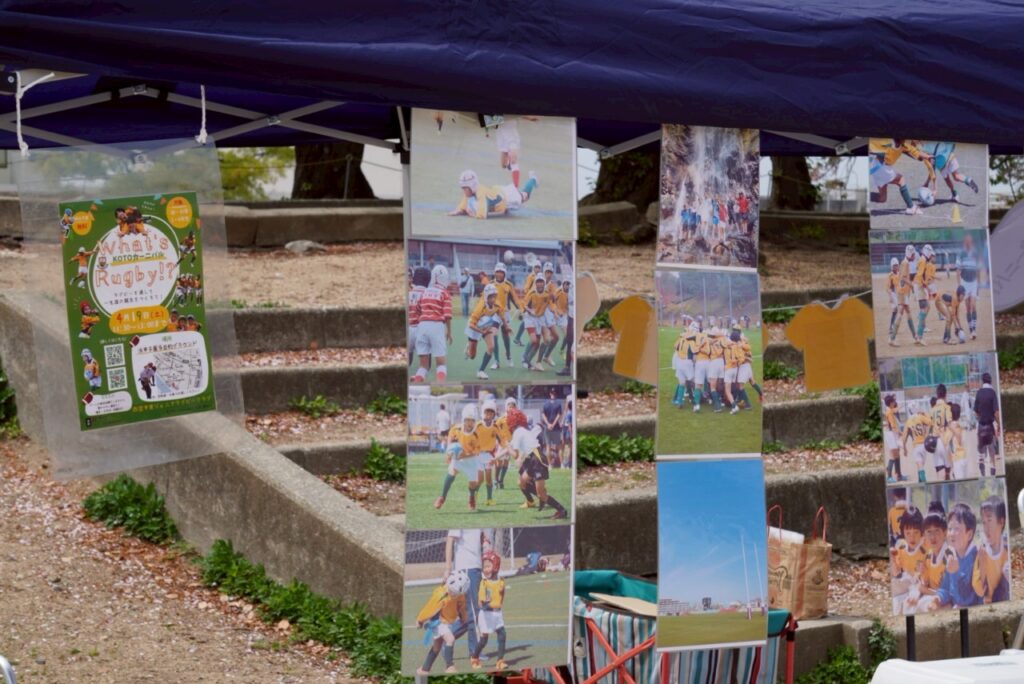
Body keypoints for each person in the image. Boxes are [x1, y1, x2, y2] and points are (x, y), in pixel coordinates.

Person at [444, 529, 492, 663]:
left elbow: (480, 540)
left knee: (473, 614)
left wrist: (485, 542)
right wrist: (448, 568)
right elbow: (450, 539)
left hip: (476, 568)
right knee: (474, 613)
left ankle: (446, 637)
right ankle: (474, 652)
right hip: (466, 568)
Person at [509, 411, 567, 519]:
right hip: (532, 458)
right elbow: (511, 448)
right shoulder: (522, 430)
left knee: (541, 494)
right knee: (522, 482)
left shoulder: (517, 432)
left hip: (537, 459)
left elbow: (515, 455)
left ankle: (561, 510)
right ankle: (540, 498)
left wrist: (507, 447)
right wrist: (496, 458)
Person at [923, 503, 983, 610]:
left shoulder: (976, 558)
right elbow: (946, 587)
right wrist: (937, 599)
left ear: (969, 534)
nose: (951, 533)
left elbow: (966, 599)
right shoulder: (953, 554)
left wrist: (955, 573)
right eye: (950, 528)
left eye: (957, 529)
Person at [416, 570, 470, 675]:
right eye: (453, 592)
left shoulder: (459, 593)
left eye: (456, 593)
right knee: (450, 639)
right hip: (438, 621)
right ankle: (450, 666)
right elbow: (430, 608)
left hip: (447, 622)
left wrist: (464, 617)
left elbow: (462, 606)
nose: (454, 595)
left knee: (437, 647)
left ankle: (424, 669)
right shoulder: (441, 594)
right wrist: (420, 619)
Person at [435, 405, 483, 511]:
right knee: (451, 472)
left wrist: (465, 455)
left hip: (471, 460)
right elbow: (450, 440)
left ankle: (471, 497)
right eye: (467, 420)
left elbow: (476, 452)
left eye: (472, 421)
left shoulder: (476, 434)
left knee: (473, 483)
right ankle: (442, 497)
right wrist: (448, 454)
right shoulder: (456, 429)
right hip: (458, 458)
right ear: (463, 420)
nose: (470, 423)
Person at [413, 265, 453, 384]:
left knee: (423, 366)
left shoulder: (425, 292)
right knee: (441, 364)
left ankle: (417, 381)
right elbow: (447, 315)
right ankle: (441, 385)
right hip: (436, 326)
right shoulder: (445, 293)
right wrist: (449, 332)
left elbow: (417, 310)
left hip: (422, 326)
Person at [448, 169, 538, 220]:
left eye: (465, 188)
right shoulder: (472, 191)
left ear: (472, 186)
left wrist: (473, 214)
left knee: (525, 196)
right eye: (463, 188)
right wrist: (459, 210)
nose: (464, 191)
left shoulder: (480, 193)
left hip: (507, 198)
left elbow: (482, 215)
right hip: (498, 192)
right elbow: (465, 202)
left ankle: (533, 179)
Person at [471, 550, 508, 671]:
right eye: (484, 567)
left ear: (495, 566)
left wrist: (502, 590)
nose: (485, 569)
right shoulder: (484, 583)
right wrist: (483, 601)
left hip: (497, 613)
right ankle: (475, 657)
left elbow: (502, 594)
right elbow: (482, 599)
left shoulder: (501, 580)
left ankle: (500, 661)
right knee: (484, 640)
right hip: (486, 614)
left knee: (502, 634)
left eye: (488, 566)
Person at [973, 496, 1010, 604]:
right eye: (984, 522)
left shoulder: (1008, 548)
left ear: (1001, 522)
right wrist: (982, 568)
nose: (986, 527)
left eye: (989, 520)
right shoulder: (982, 552)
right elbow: (979, 590)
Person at [465, 284, 504, 379]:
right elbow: (471, 325)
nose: (493, 299)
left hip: (486, 327)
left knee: (491, 347)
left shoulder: (497, 303)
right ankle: (468, 348)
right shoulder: (480, 307)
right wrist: (482, 332)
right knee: (472, 356)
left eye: (494, 296)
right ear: (486, 297)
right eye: (490, 297)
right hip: (474, 328)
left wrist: (507, 326)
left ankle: (481, 371)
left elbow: (500, 314)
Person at [974, 373, 1000, 477]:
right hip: (990, 426)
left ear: (982, 381)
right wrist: (999, 424)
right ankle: (992, 473)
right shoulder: (992, 393)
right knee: (992, 453)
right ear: (990, 381)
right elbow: (996, 412)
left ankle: (982, 471)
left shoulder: (979, 393)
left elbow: (975, 411)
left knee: (981, 451)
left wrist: (980, 417)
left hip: (980, 425)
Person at [408, 266, 431, 367]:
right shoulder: (428, 294)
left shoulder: (408, 293)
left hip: (409, 329)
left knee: (408, 359)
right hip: (422, 330)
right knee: (425, 365)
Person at [883, 395, 906, 482]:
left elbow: (895, 409)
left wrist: (902, 405)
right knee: (894, 455)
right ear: (890, 403)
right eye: (893, 402)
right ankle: (889, 476)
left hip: (891, 434)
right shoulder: (889, 412)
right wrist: (900, 433)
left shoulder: (889, 410)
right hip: (891, 434)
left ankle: (898, 475)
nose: (894, 403)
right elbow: (893, 426)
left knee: (896, 455)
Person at [541, 388, 564, 469]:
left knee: (548, 446)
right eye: (552, 393)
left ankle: (550, 465)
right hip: (555, 427)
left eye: (553, 393)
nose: (553, 394)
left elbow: (543, 415)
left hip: (548, 427)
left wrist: (548, 424)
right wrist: (552, 424)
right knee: (559, 446)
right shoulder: (558, 403)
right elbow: (559, 415)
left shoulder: (545, 403)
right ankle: (561, 465)